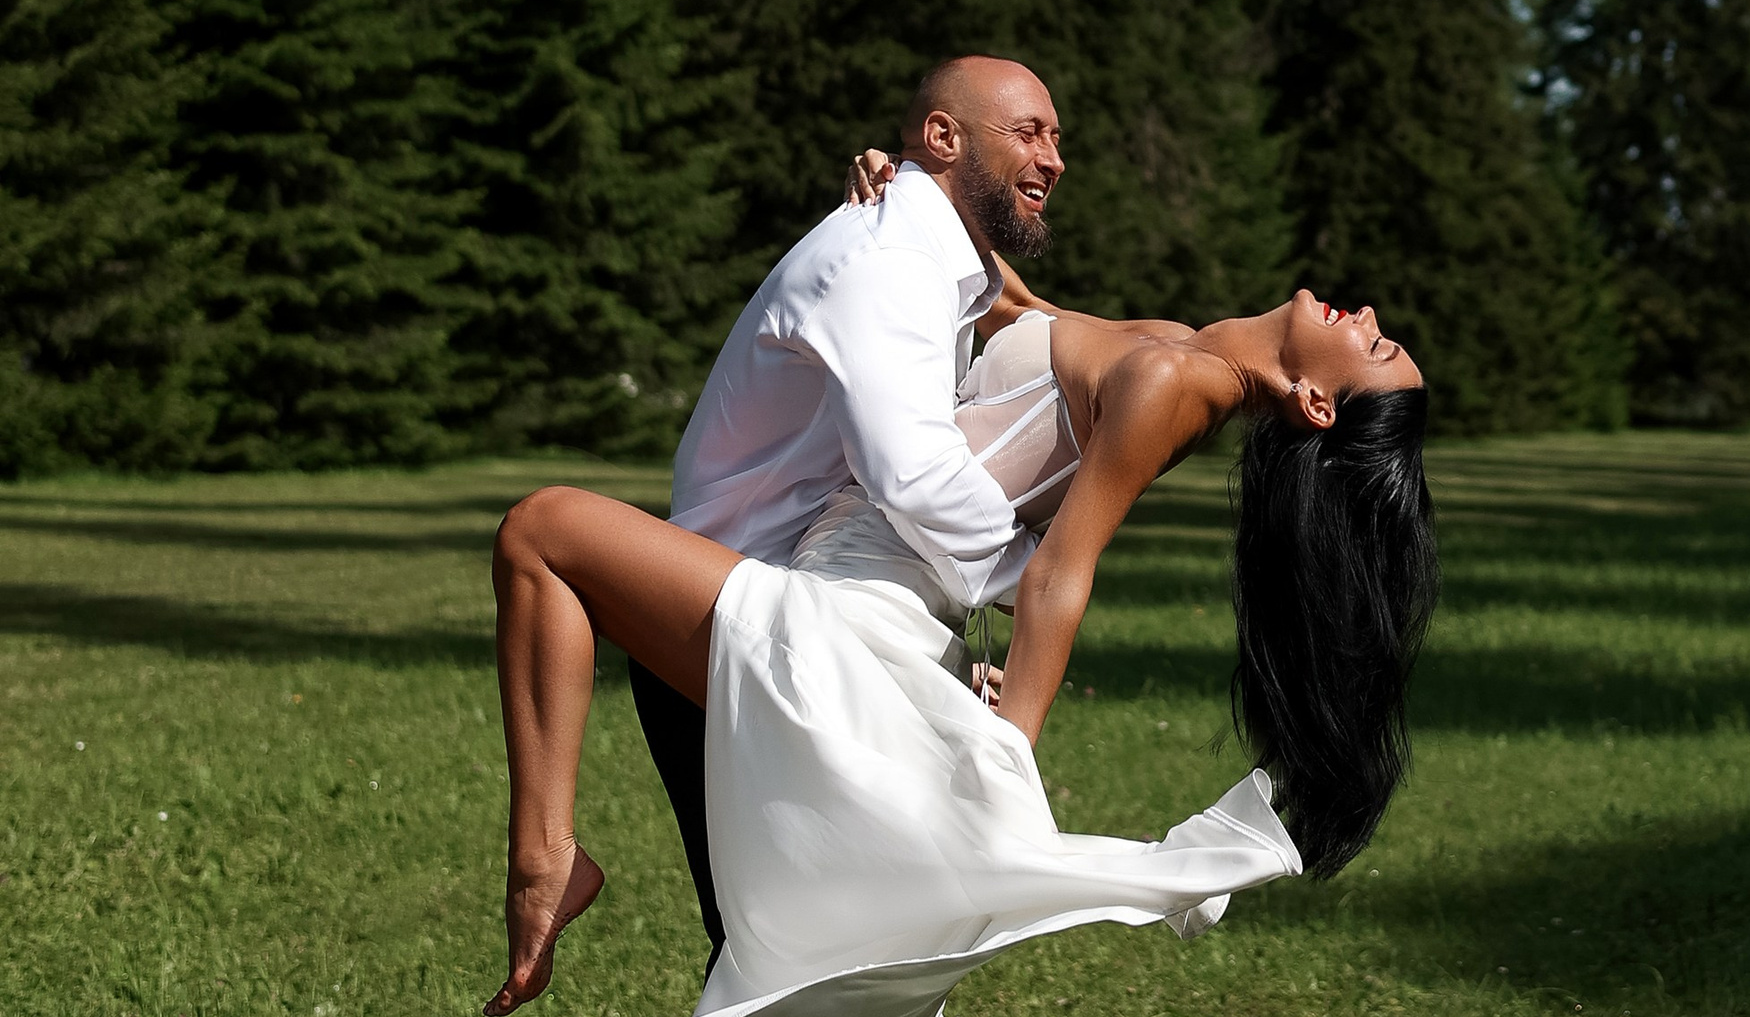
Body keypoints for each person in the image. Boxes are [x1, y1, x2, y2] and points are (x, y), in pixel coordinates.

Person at [481, 141, 1438, 1017]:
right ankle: (552, 860)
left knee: (542, 533)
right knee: (789, 964)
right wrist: (905, 196)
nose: (1367, 317)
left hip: (848, 621)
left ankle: (545, 860)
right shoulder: (1175, 348)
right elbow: (1008, 305)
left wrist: (1001, 756)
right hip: (859, 603)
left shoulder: (1174, 385)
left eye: (1376, 348)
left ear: (1318, 404)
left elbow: (1058, 574)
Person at [628, 56, 1067, 966]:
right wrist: (1041, 583)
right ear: (943, 137)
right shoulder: (889, 259)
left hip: (804, 625)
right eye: (1029, 132)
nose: (1054, 158)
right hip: (727, 631)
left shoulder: (932, 260)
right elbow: (912, 474)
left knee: (844, 943)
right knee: (793, 953)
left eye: (1057, 138)